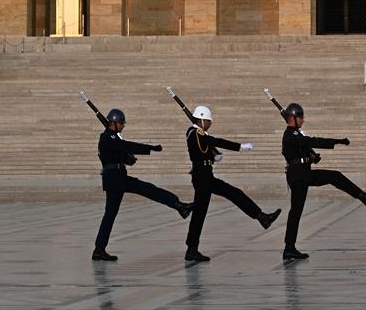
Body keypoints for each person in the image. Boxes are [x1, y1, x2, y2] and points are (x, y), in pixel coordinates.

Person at [281, 101, 366, 261]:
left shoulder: (295, 135)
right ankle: (364, 197)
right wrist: (337, 141)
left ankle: (289, 248)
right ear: (293, 118)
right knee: (332, 178)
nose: (303, 120)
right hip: (299, 176)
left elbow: (303, 151)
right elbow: (314, 141)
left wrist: (311, 158)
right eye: (301, 117)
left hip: (301, 174)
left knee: (296, 211)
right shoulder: (291, 135)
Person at [183, 104, 280, 263]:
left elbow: (204, 148)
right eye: (208, 120)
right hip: (201, 177)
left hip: (206, 176)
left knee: (234, 193)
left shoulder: (199, 134)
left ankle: (261, 217)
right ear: (201, 120)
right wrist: (240, 147)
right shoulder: (195, 133)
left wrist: (214, 156)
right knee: (200, 213)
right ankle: (191, 249)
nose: (210, 123)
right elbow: (214, 140)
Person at [93, 108, 193, 261]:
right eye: (121, 123)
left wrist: (129, 159)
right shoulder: (106, 138)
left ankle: (99, 250)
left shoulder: (113, 138)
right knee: (146, 190)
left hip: (118, 177)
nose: (123, 125)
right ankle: (178, 205)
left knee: (112, 214)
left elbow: (124, 155)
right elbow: (127, 146)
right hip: (114, 179)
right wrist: (150, 148)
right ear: (113, 123)